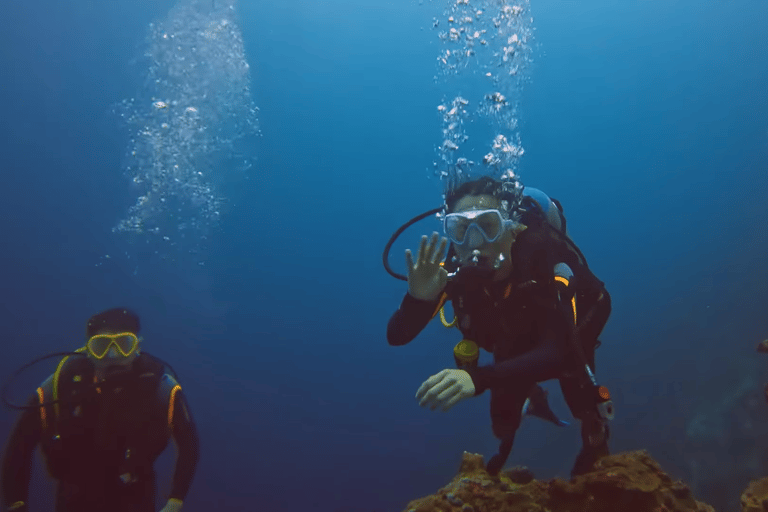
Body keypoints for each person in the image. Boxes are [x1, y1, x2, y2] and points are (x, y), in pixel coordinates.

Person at [386, 176, 613, 477]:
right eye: (461, 229)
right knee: (502, 424)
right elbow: (397, 336)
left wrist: (479, 378)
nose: (475, 242)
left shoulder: (544, 262)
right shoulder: (450, 273)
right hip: (512, 344)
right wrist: (417, 300)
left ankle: (595, 438)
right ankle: (530, 401)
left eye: (489, 226)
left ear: (513, 228)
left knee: (583, 404)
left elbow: (556, 352)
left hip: (566, 339)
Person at [1, 308, 200, 512]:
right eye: (101, 346)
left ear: (137, 346)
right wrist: (16, 503)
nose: (112, 355)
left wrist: (175, 500)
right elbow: (19, 446)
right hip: (74, 498)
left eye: (123, 344)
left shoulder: (161, 390)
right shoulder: (59, 388)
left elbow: (189, 445)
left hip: (135, 496)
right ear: (88, 350)